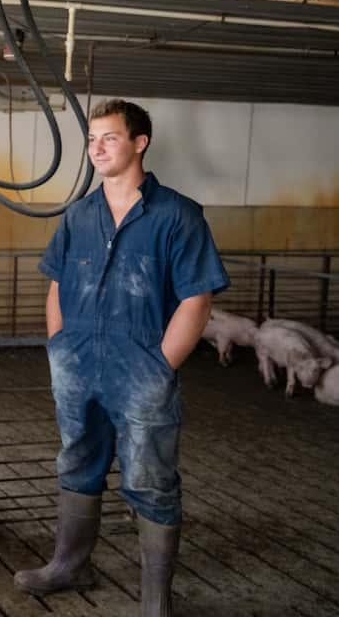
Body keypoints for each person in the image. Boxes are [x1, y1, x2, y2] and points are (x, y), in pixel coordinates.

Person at [14, 100, 228, 617]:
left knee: (151, 478)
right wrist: (59, 350)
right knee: (77, 459)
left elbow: (197, 299)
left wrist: (160, 368)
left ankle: (156, 599)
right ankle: (70, 565)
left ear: (139, 143)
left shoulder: (177, 215)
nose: (97, 148)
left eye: (109, 137)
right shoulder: (79, 214)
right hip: (78, 363)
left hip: (141, 368)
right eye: (92, 139)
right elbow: (57, 286)